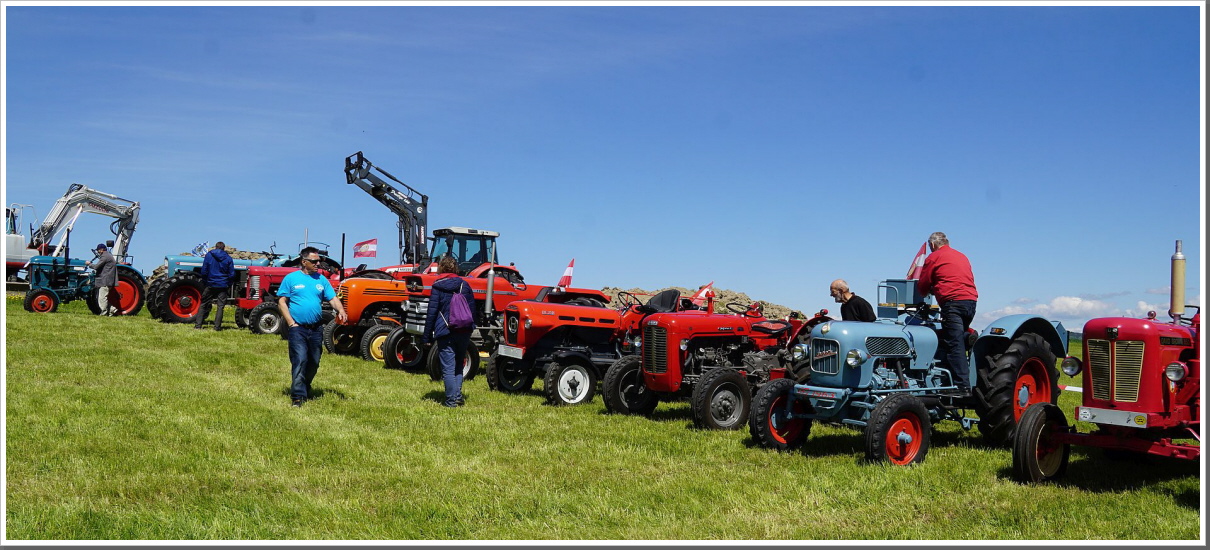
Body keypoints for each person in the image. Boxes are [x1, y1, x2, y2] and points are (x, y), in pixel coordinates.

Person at [277, 247, 348, 408]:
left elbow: (332, 298)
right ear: (304, 262)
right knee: (300, 359)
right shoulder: (291, 278)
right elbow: (281, 302)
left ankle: (305, 386)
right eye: (314, 261)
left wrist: (341, 310)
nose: (318, 264)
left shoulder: (321, 280)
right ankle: (298, 397)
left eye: (318, 261)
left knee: (314, 362)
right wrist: (291, 323)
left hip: (316, 329)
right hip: (298, 328)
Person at [915, 231, 979, 398]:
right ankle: (968, 338)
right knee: (956, 339)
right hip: (970, 302)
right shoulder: (962, 256)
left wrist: (923, 291)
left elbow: (923, 284)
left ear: (933, 244)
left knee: (954, 345)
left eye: (930, 247)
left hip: (953, 303)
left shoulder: (935, 257)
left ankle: (962, 387)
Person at [424, 255, 477, 408]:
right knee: (459, 364)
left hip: (445, 330)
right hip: (464, 330)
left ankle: (451, 401)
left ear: (441, 268)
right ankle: (457, 396)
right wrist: (471, 327)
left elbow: (432, 313)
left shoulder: (437, 286)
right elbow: (472, 309)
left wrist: (426, 336)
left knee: (447, 368)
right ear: (456, 269)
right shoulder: (465, 285)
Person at [195, 241, 235, 330]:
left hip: (211, 284)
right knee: (220, 307)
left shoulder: (209, 256)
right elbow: (231, 274)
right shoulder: (228, 258)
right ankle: (217, 327)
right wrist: (228, 284)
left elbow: (204, 271)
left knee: (203, 304)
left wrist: (205, 282)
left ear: (215, 247)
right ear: (224, 248)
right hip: (223, 285)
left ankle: (198, 326)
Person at [85, 243, 118, 316]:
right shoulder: (109, 255)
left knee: (102, 298)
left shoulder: (105, 256)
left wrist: (89, 264)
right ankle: (112, 310)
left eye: (98, 250)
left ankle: (104, 313)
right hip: (108, 280)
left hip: (105, 280)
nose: (98, 252)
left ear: (102, 250)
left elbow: (96, 267)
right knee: (103, 297)